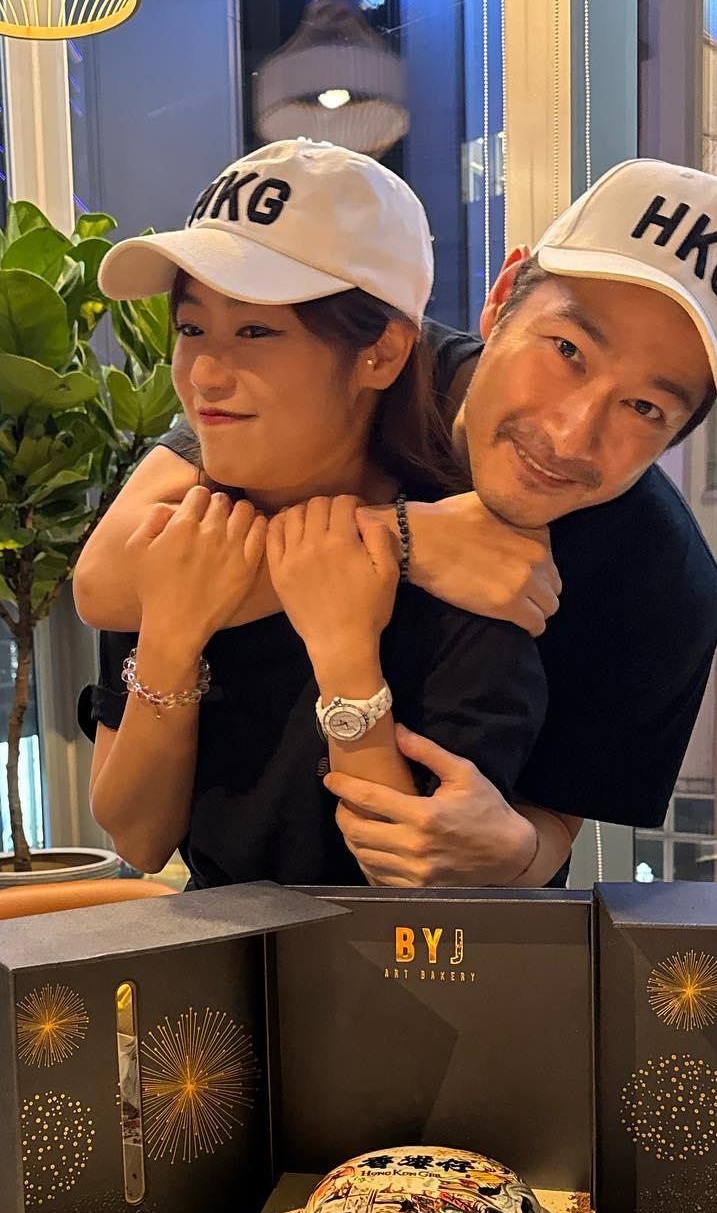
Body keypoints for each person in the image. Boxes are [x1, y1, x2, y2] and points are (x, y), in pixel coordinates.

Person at [74, 157, 717, 887]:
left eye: (645, 408)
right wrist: (408, 539)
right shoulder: (335, 394)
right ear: (501, 299)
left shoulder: (658, 583)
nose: (570, 435)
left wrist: (509, 852)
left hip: (446, 937)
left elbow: (545, 827)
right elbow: (103, 583)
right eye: (567, 351)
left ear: (681, 432)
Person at [78, 139, 547, 888]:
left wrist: (345, 657)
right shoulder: (173, 537)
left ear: (380, 354)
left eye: (255, 332)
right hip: (221, 957)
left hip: (397, 961)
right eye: (192, 329)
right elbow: (138, 837)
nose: (204, 374)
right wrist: (171, 636)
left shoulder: (465, 565)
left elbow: (425, 893)